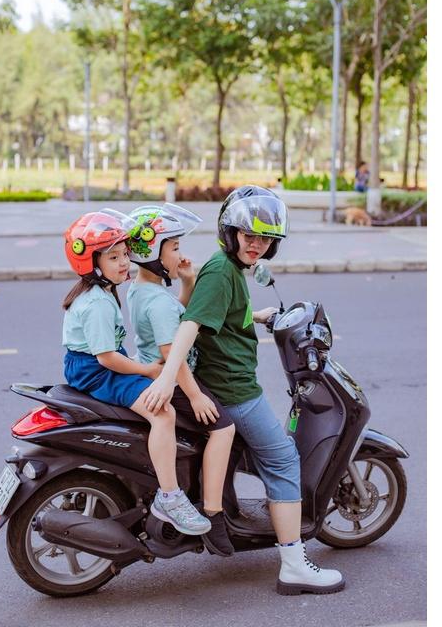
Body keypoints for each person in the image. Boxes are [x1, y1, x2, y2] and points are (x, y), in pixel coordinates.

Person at [143, 186, 345, 595]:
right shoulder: (221, 271)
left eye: (265, 239)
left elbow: (221, 314)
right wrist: (167, 377)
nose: (257, 245)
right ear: (230, 232)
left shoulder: (229, 269)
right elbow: (191, 324)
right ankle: (294, 564)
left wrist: (255, 315)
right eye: (249, 235)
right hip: (233, 389)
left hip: (226, 382)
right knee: (283, 458)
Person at [61, 208, 210, 537]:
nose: (123, 263)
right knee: (163, 412)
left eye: (125, 254)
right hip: (96, 372)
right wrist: (147, 370)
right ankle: (170, 497)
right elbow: (106, 359)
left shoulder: (103, 292)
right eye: (113, 257)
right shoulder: (97, 303)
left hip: (94, 365)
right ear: (91, 263)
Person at [125, 203, 236, 556]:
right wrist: (195, 395)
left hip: (160, 374)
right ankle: (214, 514)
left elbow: (178, 316)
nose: (180, 254)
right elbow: (174, 352)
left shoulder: (143, 290)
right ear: (152, 254)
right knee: (224, 428)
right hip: (173, 383)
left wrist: (187, 282)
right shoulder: (156, 301)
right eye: (173, 247)